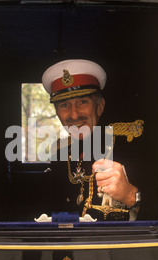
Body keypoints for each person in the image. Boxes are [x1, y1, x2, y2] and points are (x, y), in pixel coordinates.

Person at [41, 59, 142, 221]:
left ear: (100, 106)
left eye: (82, 102)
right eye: (64, 105)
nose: (74, 115)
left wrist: (130, 195)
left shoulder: (131, 144)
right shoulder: (58, 152)